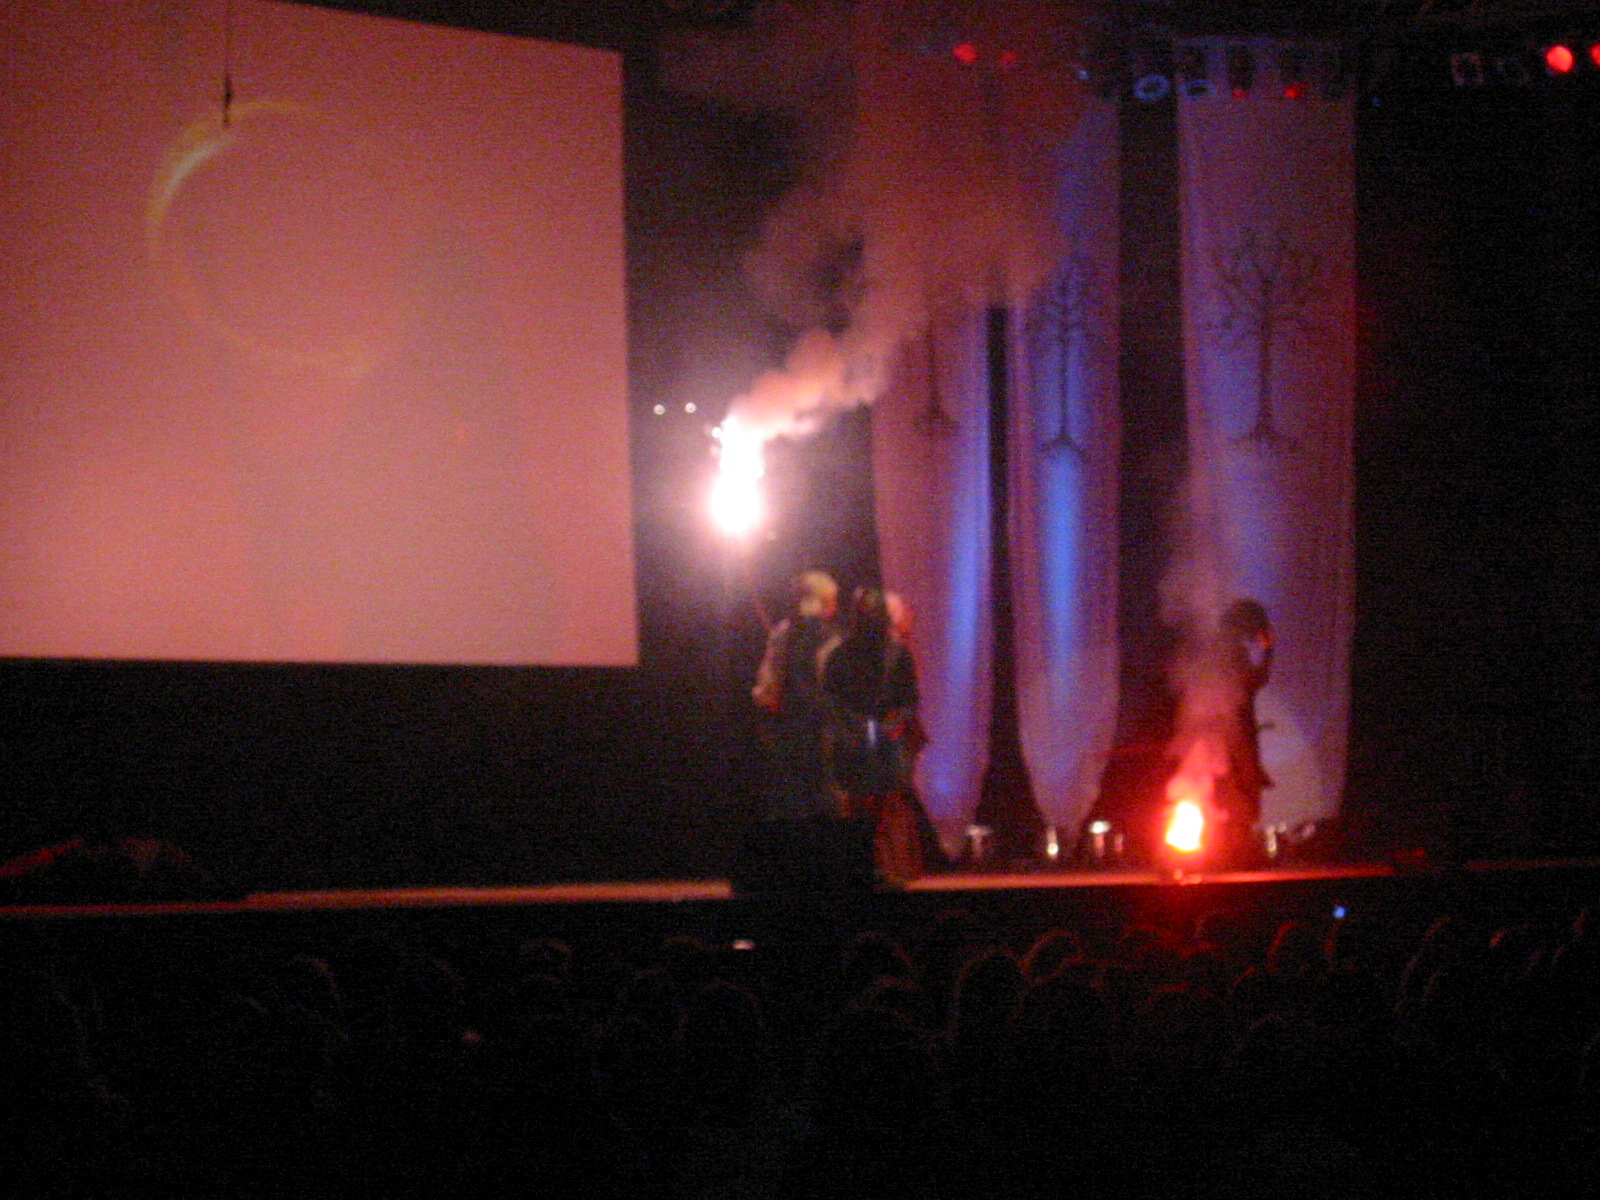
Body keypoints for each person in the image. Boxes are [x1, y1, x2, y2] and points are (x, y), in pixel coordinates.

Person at [822, 587, 922, 886]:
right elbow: (831, 699)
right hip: (854, 740)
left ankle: (884, 866)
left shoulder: (895, 654)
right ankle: (862, 865)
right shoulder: (840, 654)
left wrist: (893, 723)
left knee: (883, 806)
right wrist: (850, 727)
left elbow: (909, 700)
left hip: (882, 740)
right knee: (858, 805)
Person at [751, 570, 842, 824]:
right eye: (832, 601)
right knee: (824, 805)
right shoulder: (831, 639)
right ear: (820, 602)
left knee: (791, 805)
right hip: (821, 738)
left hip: (787, 737)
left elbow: (766, 690)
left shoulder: (782, 634)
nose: (835, 607)